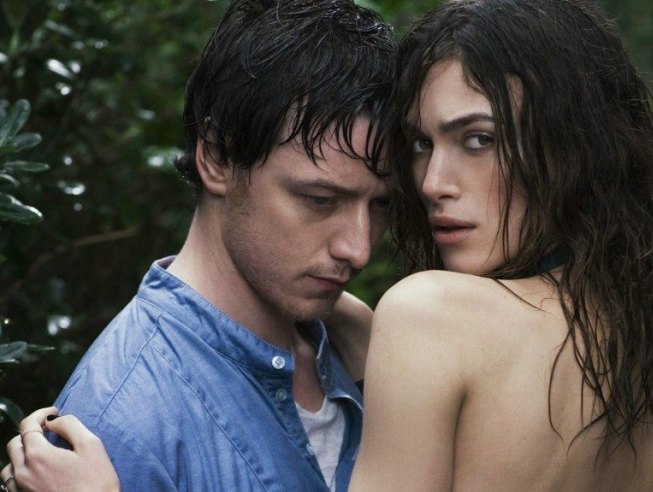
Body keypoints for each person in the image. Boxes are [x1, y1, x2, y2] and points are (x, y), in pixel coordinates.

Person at [5, 0, 653, 490]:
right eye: (424, 145)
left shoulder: (431, 322)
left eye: (479, 139)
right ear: (216, 159)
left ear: (576, 146)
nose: (433, 184)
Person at [2, 0, 395, 490]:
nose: (358, 249)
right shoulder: (118, 424)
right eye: (319, 200)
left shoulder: (351, 349)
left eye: (382, 205)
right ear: (216, 159)